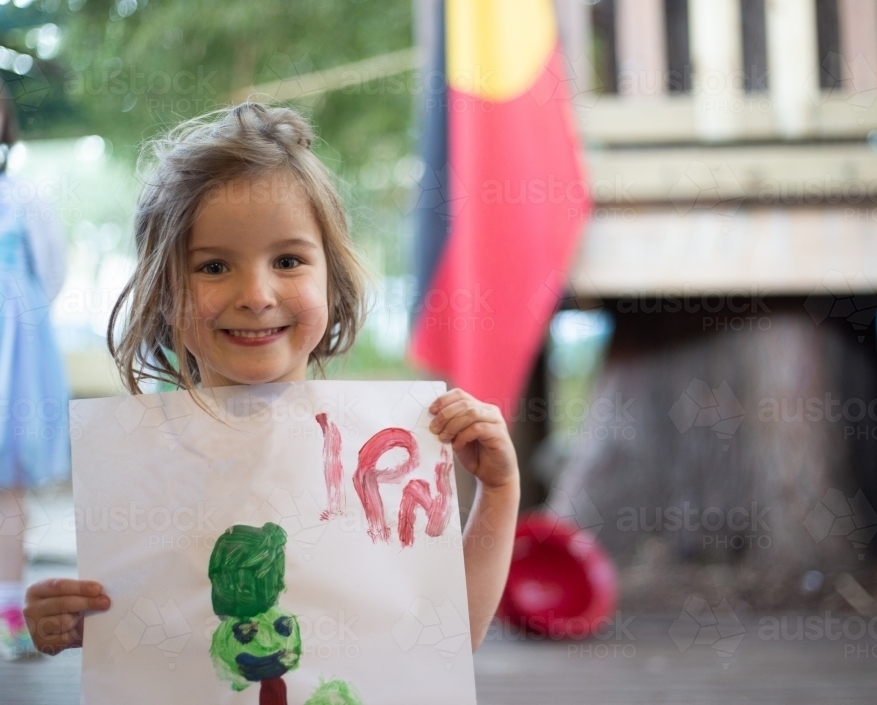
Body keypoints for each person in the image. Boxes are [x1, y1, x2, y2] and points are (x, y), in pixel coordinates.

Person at [21, 103, 519, 656]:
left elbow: (446, 642)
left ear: (333, 278)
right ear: (163, 292)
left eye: (287, 261)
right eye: (213, 266)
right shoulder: (139, 476)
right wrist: (69, 623)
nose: (256, 295)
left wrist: (498, 492)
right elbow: (147, 642)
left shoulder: (379, 460)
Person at [0, 85, 70, 660]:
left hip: (11, 362)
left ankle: (6, 608)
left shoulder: (22, 197)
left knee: (6, 487)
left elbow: (51, 269)